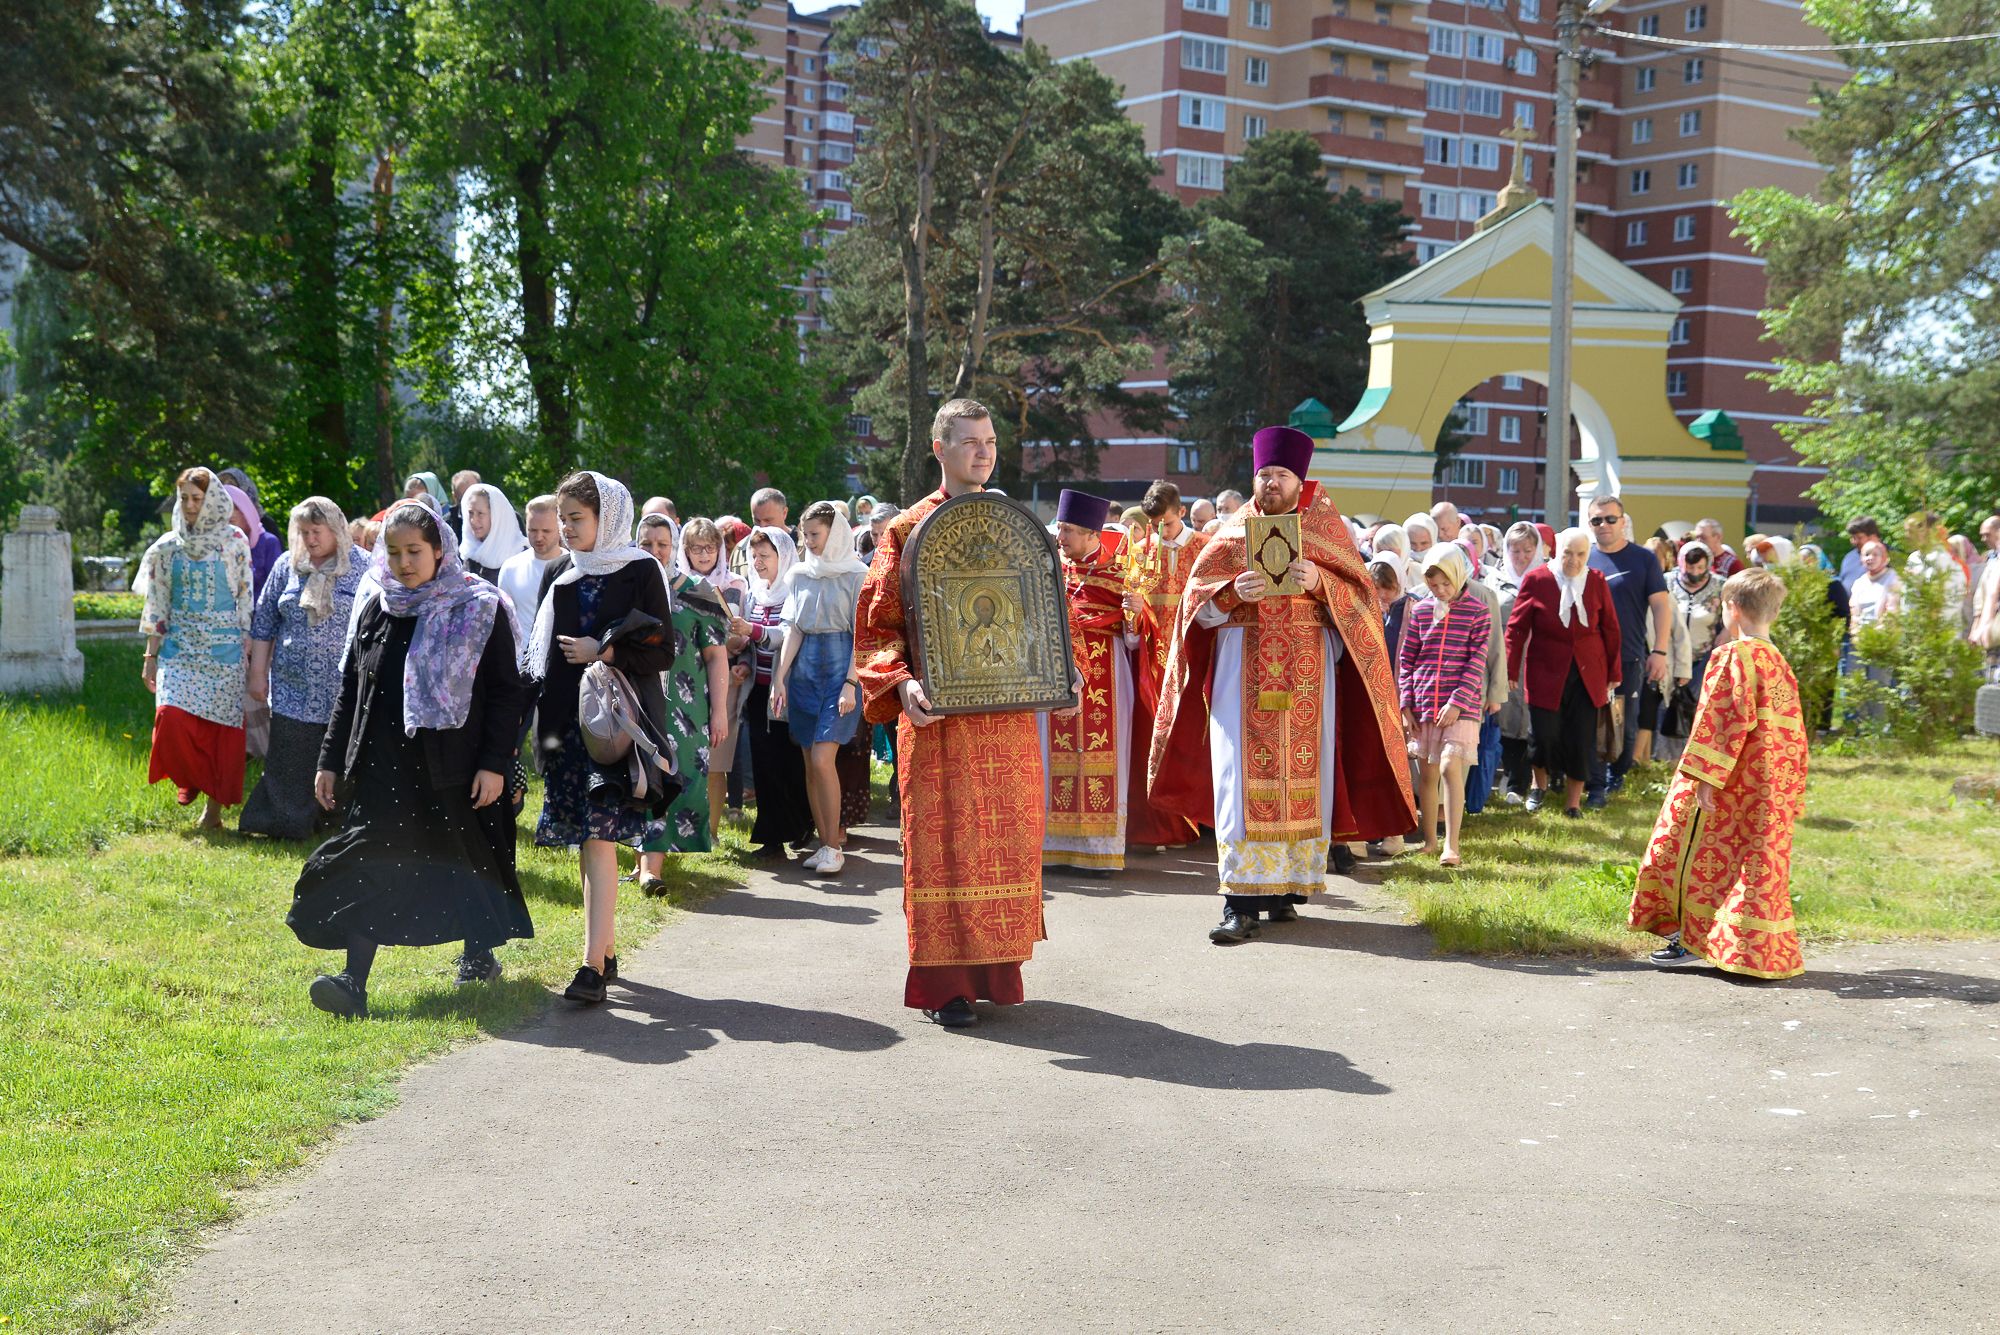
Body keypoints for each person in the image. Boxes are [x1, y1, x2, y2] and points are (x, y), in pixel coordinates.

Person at [1150, 426, 1415, 944]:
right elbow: (1192, 612)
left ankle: (1284, 892)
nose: (1271, 483)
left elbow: (1361, 605)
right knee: (1237, 784)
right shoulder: (1231, 534)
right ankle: (1239, 902)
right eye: (1265, 474)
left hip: (1309, 681)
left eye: (1282, 475)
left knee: (1304, 783)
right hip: (1239, 679)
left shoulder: (1326, 531)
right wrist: (1228, 596)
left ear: (1300, 480)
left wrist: (1321, 584)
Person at [855, 399, 1066, 1028]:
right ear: (939, 449)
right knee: (944, 849)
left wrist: (1065, 667)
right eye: (970, 441)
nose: (984, 451)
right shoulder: (906, 530)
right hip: (938, 726)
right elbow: (875, 631)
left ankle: (997, 976)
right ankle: (943, 985)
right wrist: (903, 685)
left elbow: (1049, 615)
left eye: (991, 441)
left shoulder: (1014, 525)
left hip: (1006, 725)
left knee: (1003, 845)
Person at [289, 500, 533, 1017]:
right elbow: (352, 688)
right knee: (370, 864)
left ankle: (478, 953)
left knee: (464, 861)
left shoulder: (479, 606)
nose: (403, 563)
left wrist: (494, 763)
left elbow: (507, 693)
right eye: (394, 552)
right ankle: (353, 982)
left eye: (414, 551)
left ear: (440, 549)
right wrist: (329, 760)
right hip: (384, 767)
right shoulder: (378, 604)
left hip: (455, 768)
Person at [529, 471, 676, 1006]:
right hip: (571, 729)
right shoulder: (560, 575)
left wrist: (606, 651)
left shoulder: (641, 570)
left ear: (606, 517)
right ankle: (605, 948)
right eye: (562, 519)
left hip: (618, 726)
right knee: (588, 841)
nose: (566, 530)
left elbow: (663, 650)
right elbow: (542, 661)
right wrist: (538, 740)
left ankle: (591, 966)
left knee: (599, 837)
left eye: (576, 519)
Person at [1629, 569, 1808, 976]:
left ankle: (1690, 937)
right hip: (1771, 786)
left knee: (1691, 853)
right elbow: (1795, 733)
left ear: (1732, 609)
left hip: (1730, 782)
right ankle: (1749, 952)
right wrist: (1792, 788)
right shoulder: (1780, 662)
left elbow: (1721, 720)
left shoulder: (1732, 656)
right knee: (1753, 864)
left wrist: (1705, 778)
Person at [134, 467, 255, 829]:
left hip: (225, 651)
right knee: (171, 719)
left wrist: (248, 645)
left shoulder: (235, 540)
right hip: (180, 650)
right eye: (184, 498)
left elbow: (246, 596)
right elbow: (157, 606)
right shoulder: (166, 547)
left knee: (222, 734)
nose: (188, 505)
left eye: (196, 498)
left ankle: (212, 814)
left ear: (213, 499)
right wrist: (150, 658)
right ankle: (191, 780)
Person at [242, 497, 366, 840]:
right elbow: (265, 622)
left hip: (344, 689)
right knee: (289, 759)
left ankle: (336, 823)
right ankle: (285, 821)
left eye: (317, 531)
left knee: (342, 758)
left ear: (337, 530)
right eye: (304, 532)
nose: (310, 539)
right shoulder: (287, 565)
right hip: (293, 685)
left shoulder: (364, 566)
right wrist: (258, 678)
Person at [1039, 489, 1134, 875]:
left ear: (1093, 534)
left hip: (1107, 671)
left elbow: (1139, 638)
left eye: (1069, 530)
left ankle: (1100, 849)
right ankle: (1053, 845)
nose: (1061, 538)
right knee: (1052, 755)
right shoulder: (1048, 569)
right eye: (1060, 528)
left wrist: (1134, 616)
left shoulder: (1120, 574)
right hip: (1057, 674)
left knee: (1105, 755)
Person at [632, 514, 730, 879]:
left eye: (662, 544)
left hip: (685, 706)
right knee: (639, 776)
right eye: (647, 544)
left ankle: (650, 867)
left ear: (675, 546)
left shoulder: (696, 591)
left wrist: (719, 712)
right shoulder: (628, 587)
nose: (655, 551)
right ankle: (646, 866)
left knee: (677, 779)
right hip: (635, 700)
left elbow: (717, 655)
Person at [774, 501, 869, 875]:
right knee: (809, 765)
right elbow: (794, 628)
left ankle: (834, 845)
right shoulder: (799, 574)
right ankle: (823, 842)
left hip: (840, 670)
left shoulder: (857, 575)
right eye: (806, 535)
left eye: (815, 534)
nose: (809, 541)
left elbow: (861, 637)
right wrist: (780, 677)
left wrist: (851, 682)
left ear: (835, 533)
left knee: (821, 759)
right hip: (804, 674)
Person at [1506, 527, 1621, 819]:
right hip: (1546, 669)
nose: (1573, 560)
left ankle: (1573, 802)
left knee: (1581, 738)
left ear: (1588, 554)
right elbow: (1517, 628)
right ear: (1557, 550)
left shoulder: (1595, 581)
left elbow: (1610, 628)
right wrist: (1510, 668)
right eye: (1568, 553)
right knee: (1543, 734)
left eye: (1581, 554)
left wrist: (1614, 670)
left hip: (1587, 672)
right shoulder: (1537, 579)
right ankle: (1538, 785)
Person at [1125, 481, 1209, 849]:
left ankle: (1196, 822)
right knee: (1150, 738)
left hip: (1194, 657)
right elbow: (1130, 614)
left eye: (1169, 525)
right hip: (1153, 663)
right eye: (1156, 525)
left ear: (1183, 513)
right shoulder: (1140, 552)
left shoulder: (1206, 550)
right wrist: (1133, 615)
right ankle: (1158, 826)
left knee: (1190, 736)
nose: (1161, 533)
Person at [1398, 545, 1490, 866]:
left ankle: (1452, 845)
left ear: (1458, 575)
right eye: (1434, 585)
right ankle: (1429, 841)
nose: (1440, 591)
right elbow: (1407, 659)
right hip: (1424, 702)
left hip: (1459, 707)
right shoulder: (1422, 610)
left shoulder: (1478, 612)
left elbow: (1476, 662)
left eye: (1446, 584)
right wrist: (1406, 702)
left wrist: (1457, 702)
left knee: (1452, 766)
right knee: (1428, 772)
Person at [730, 526, 812, 859]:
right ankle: (772, 837)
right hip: (758, 693)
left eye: (765, 555)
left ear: (783, 556)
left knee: (791, 762)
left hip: (788, 691)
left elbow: (786, 633)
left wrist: (754, 631)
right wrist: (744, 663)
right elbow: (752, 645)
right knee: (764, 765)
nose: (758, 562)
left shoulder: (795, 591)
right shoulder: (752, 594)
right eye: (753, 556)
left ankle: (802, 825)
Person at [1583, 494, 1669, 805]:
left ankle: (1616, 773)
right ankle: (1594, 780)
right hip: (1587, 658)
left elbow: (1661, 607)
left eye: (1610, 519)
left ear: (1623, 521)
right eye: (1596, 520)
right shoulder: (1585, 557)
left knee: (1625, 722)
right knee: (1590, 721)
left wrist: (1659, 652)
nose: (1603, 525)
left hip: (1630, 654)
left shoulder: (1643, 559)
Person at [677, 517, 750, 835]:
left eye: (710, 547)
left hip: (725, 676)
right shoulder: (676, 582)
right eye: (696, 548)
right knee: (684, 754)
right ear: (686, 550)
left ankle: (713, 830)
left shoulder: (735, 585)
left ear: (720, 550)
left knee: (716, 759)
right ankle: (683, 824)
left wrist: (735, 637)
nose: (703, 554)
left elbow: (738, 636)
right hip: (686, 676)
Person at [1455, 539, 1509, 817]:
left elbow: (1495, 646)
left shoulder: (1483, 594)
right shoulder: (1427, 592)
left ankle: (1462, 806)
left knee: (1467, 751)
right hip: (1439, 687)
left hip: (1476, 686)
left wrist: (1496, 695)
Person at [1490, 522, 1543, 803]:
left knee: (1534, 720)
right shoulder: (1495, 580)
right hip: (1505, 659)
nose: (1521, 555)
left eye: (1527, 549)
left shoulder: (1547, 578)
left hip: (1538, 659)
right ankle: (1513, 780)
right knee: (1508, 716)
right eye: (1515, 549)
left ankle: (1535, 781)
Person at [1658, 540, 1724, 762]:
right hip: (1669, 654)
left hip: (1703, 656)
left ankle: (1693, 758)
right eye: (1689, 567)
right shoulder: (1667, 582)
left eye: (1699, 568)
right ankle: (1663, 755)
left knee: (1694, 706)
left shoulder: (1719, 586)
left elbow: (1728, 621)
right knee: (1664, 704)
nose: (1694, 573)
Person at [497, 495, 562, 632]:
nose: (538, 537)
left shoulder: (575, 567)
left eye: (546, 531)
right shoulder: (511, 568)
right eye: (532, 530)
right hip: (522, 651)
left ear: (560, 528)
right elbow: (505, 620)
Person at [222, 482, 283, 598]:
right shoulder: (216, 545)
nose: (228, 513)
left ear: (246, 511)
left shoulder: (268, 542)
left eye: (234, 507)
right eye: (222, 508)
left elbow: (277, 588)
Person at [459, 483, 527, 583]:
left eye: (480, 513)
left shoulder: (519, 557)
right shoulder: (467, 553)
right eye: (470, 513)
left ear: (496, 516)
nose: (473, 520)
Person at [1839, 515, 1881, 590]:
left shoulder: (1890, 556)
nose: (1854, 541)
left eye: (1859, 537)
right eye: (1852, 537)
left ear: (1873, 536)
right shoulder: (1849, 558)